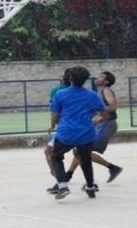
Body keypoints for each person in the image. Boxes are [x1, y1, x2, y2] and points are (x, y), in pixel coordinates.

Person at [49, 66, 105, 199]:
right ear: (85, 80)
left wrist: (52, 126)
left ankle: (62, 185)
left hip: (66, 133)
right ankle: (90, 187)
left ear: (70, 78)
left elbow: (55, 116)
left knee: (56, 157)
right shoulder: (92, 95)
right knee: (85, 160)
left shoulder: (60, 94)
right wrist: (97, 120)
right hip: (86, 133)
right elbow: (103, 113)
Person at [64, 71, 123, 188]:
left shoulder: (106, 90)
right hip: (102, 124)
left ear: (106, 81)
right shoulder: (99, 92)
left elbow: (113, 106)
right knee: (80, 149)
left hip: (107, 124)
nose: (98, 78)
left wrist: (100, 115)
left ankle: (112, 168)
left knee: (81, 150)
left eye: (101, 77)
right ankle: (69, 174)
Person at [45, 68, 72, 193]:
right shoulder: (84, 91)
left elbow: (54, 110)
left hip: (64, 127)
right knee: (81, 155)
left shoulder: (57, 90)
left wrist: (52, 125)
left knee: (49, 152)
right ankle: (91, 184)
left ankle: (60, 181)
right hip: (83, 127)